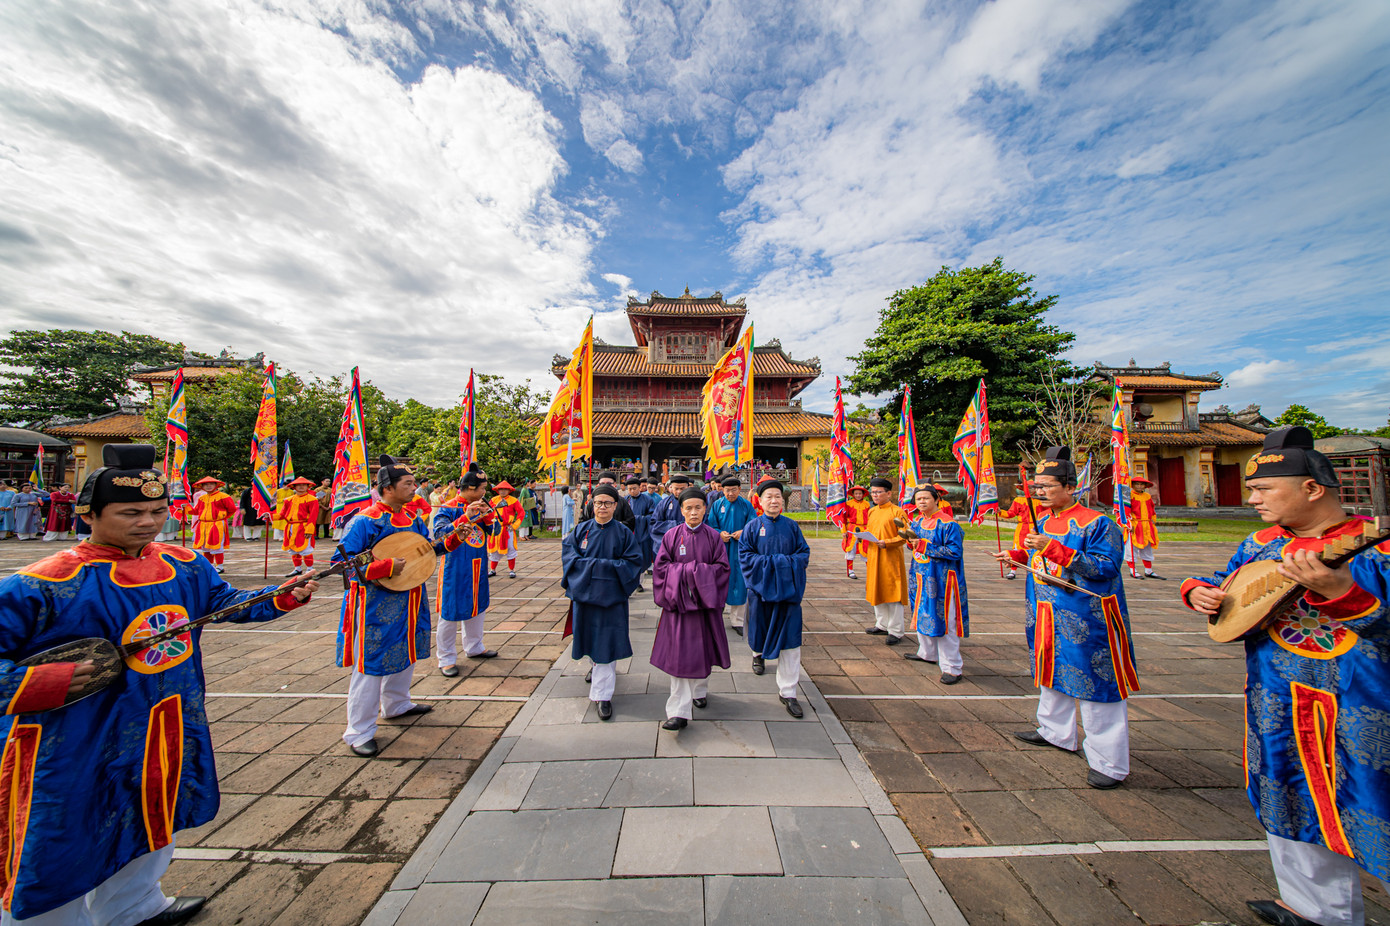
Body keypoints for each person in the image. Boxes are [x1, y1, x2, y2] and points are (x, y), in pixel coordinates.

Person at [0, 443, 318, 926]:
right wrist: (36, 682)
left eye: (156, 511)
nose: (147, 522)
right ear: (88, 513)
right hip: (70, 740)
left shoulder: (185, 564)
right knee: (59, 837)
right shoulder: (38, 584)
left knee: (153, 813)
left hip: (162, 722)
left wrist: (283, 596)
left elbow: (227, 602)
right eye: (130, 512)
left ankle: (136, 907)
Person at [1181, 427, 1390, 926]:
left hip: (1358, 702)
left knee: (1370, 801)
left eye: (1262, 490)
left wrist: (1345, 593)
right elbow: (1223, 583)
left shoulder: (1375, 548)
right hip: (1276, 696)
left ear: (1312, 489)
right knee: (1286, 792)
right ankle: (1314, 908)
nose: (1250, 499)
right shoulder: (1261, 543)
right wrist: (1198, 593)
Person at [991, 446, 1137, 790]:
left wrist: (1053, 548)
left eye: (1046, 487)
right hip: (1045, 610)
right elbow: (1036, 553)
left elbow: (1105, 567)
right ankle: (1055, 731)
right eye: (1036, 487)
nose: (1038, 492)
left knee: (1095, 683)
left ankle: (1109, 761)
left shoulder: (1099, 523)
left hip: (1086, 618)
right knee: (1049, 669)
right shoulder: (1044, 520)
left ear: (1071, 486)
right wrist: (1016, 555)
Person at [333, 455, 442, 757]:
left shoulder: (413, 519)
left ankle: (396, 703)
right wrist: (383, 567)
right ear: (387, 488)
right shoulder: (365, 520)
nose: (414, 488)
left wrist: (456, 534)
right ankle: (358, 731)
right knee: (370, 667)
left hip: (409, 599)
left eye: (414, 483)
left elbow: (426, 550)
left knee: (404, 652)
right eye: (408, 484)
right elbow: (343, 562)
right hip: (374, 606)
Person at [651, 487, 731, 730]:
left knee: (702, 651)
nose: (693, 512)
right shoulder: (672, 535)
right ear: (681, 510)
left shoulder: (714, 537)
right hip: (679, 607)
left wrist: (694, 574)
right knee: (679, 657)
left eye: (698, 507)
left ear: (705, 509)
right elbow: (660, 569)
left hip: (705, 606)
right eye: (688, 508)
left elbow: (723, 569)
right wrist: (691, 573)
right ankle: (678, 711)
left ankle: (700, 690)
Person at [561, 484, 642, 720]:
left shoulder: (624, 533)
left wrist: (596, 567)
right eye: (598, 503)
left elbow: (632, 564)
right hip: (586, 597)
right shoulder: (581, 530)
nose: (602, 507)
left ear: (616, 506)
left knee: (606, 643)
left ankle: (603, 695)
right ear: (591, 504)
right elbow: (570, 558)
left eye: (608, 503)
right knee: (590, 640)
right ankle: (596, 670)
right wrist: (596, 567)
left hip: (611, 599)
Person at [739, 479, 811, 718]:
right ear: (759, 500)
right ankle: (757, 655)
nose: (773, 501)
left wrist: (782, 564)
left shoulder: (792, 526)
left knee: (791, 642)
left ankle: (788, 691)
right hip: (761, 592)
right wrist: (776, 564)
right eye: (768, 496)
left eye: (777, 497)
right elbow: (746, 557)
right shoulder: (752, 527)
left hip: (788, 594)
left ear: (783, 500)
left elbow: (803, 553)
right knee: (759, 630)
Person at [431, 468, 499, 675]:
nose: (484, 493)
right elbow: (439, 535)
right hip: (455, 566)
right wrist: (465, 517)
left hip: (478, 564)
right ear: (470, 488)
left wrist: (488, 518)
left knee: (477, 607)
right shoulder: (449, 508)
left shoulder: (483, 505)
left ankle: (474, 646)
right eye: (482, 489)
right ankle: (446, 658)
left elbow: (495, 531)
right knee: (450, 613)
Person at [902, 485, 969, 683]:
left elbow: (954, 552)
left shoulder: (948, 524)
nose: (921, 502)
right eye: (918, 499)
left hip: (942, 581)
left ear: (936, 499)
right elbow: (914, 546)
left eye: (926, 498)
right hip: (921, 577)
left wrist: (923, 545)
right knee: (922, 614)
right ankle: (927, 652)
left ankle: (952, 667)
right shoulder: (918, 521)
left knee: (945, 621)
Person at [707, 475, 757, 636]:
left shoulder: (746, 505)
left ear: (739, 490)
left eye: (733, 490)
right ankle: (716, 618)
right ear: (722, 490)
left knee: (739, 583)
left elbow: (753, 525)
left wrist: (743, 532)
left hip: (740, 550)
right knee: (719, 581)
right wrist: (718, 533)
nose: (730, 494)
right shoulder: (717, 505)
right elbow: (710, 525)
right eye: (727, 490)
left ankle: (738, 620)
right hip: (721, 549)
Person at [862, 477, 909, 645]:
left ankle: (896, 630)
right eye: (873, 492)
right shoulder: (872, 511)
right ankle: (881, 624)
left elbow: (905, 535)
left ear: (889, 493)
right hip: (874, 556)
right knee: (877, 589)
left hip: (890, 557)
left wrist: (887, 542)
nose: (875, 495)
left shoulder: (897, 512)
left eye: (878, 492)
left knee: (893, 592)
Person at [275, 476, 320, 576]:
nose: (301, 487)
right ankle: (297, 568)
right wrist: (269, 515)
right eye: (298, 485)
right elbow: (282, 514)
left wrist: (309, 529)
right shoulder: (288, 500)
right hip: (290, 527)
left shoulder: (312, 500)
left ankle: (309, 568)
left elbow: (313, 516)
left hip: (303, 526)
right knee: (292, 549)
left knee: (306, 548)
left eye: (303, 485)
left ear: (307, 486)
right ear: (294, 487)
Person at [189, 476, 236, 572]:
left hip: (217, 524)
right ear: (202, 487)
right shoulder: (202, 498)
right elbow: (196, 511)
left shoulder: (223, 496)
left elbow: (232, 509)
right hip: (203, 525)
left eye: (211, 484)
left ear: (216, 485)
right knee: (205, 546)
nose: (208, 486)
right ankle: (209, 565)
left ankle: (219, 566)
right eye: (206, 484)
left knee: (217, 545)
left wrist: (222, 517)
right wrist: (185, 507)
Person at [1124, 477, 1162, 579]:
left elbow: (1152, 509)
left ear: (1145, 486)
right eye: (1137, 484)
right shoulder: (1128, 496)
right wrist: (1128, 524)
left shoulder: (1147, 496)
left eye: (1141, 484)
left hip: (1147, 525)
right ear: (1133, 485)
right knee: (1132, 548)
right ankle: (1133, 570)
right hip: (1135, 524)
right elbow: (1124, 511)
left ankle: (1148, 570)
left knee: (1147, 548)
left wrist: (1153, 519)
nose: (1139, 486)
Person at [487, 480, 524, 578]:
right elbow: (488, 513)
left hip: (507, 529)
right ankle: (492, 570)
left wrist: (514, 525)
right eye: (501, 489)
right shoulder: (494, 500)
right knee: (494, 550)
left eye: (505, 489)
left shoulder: (513, 500)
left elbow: (521, 513)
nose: (503, 491)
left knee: (511, 548)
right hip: (495, 529)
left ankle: (511, 570)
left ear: (509, 490)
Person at [650, 474, 691, 562]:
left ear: (688, 487)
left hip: (690, 544)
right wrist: (675, 525)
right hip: (669, 544)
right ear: (671, 488)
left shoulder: (693, 503)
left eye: (682, 488)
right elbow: (654, 525)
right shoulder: (664, 503)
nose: (679, 491)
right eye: (676, 488)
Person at [625, 476, 656, 576]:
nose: (632, 491)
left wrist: (637, 519)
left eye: (634, 488)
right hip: (628, 532)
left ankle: (639, 578)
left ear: (640, 488)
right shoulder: (625, 500)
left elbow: (652, 516)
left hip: (642, 533)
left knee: (642, 557)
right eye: (630, 489)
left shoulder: (648, 500)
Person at [997, 494, 1033, 579]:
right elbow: (1011, 513)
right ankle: (1013, 571)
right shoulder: (1019, 500)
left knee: (1034, 550)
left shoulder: (1041, 501)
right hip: (1022, 529)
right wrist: (1000, 511)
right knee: (1017, 549)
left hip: (1035, 527)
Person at [840, 485, 871, 579]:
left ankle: (870, 571)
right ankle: (850, 570)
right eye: (856, 493)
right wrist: (844, 530)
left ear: (863, 494)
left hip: (864, 529)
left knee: (866, 549)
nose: (858, 495)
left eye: (860, 493)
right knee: (850, 549)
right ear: (853, 494)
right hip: (852, 528)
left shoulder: (867, 504)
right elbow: (843, 518)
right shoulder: (848, 504)